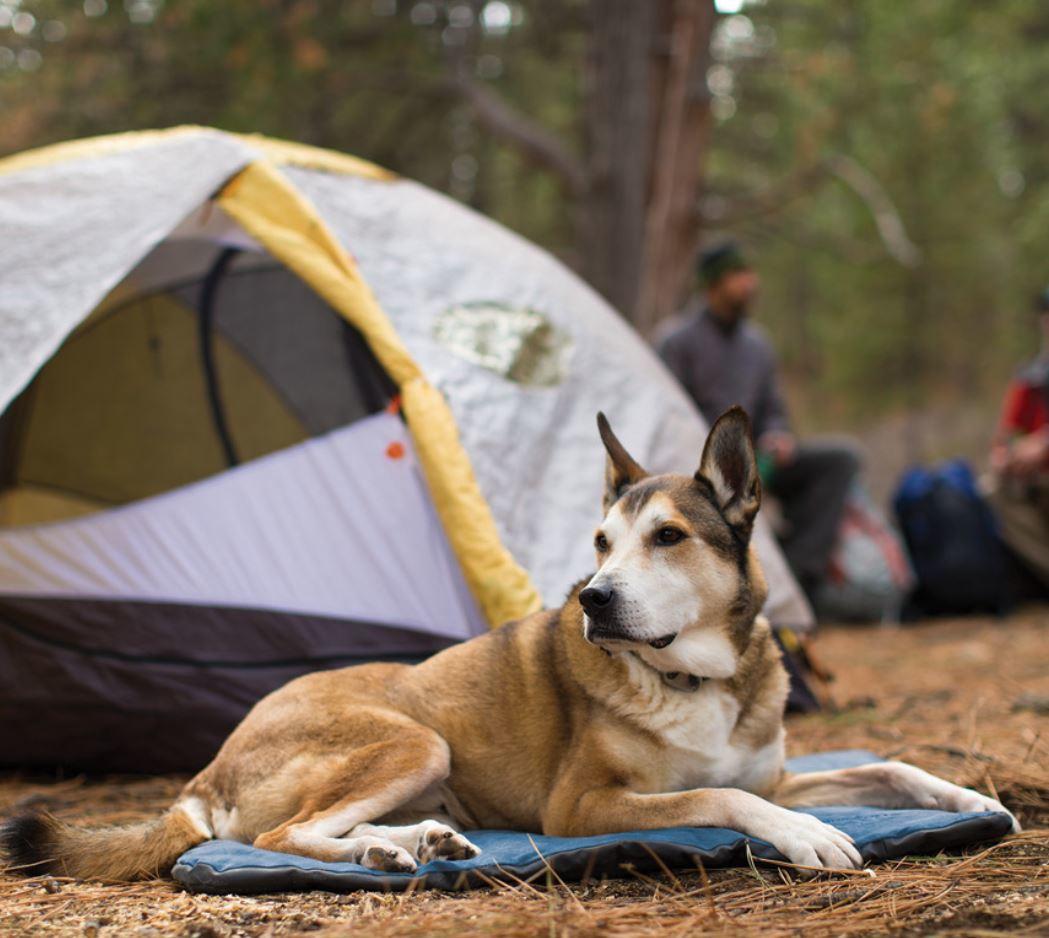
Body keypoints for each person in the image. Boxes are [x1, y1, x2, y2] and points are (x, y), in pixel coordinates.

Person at [656, 241, 859, 602]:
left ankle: (799, 574)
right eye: (738, 274)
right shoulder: (678, 341)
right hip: (703, 469)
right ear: (713, 284)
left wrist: (778, 435)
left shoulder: (757, 345)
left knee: (841, 459)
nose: (751, 283)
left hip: (762, 460)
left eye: (749, 273)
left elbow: (774, 410)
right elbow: (667, 415)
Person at [987, 289, 1049, 593]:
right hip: (1037, 483)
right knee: (993, 489)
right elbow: (1006, 436)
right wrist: (1007, 455)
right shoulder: (1032, 378)